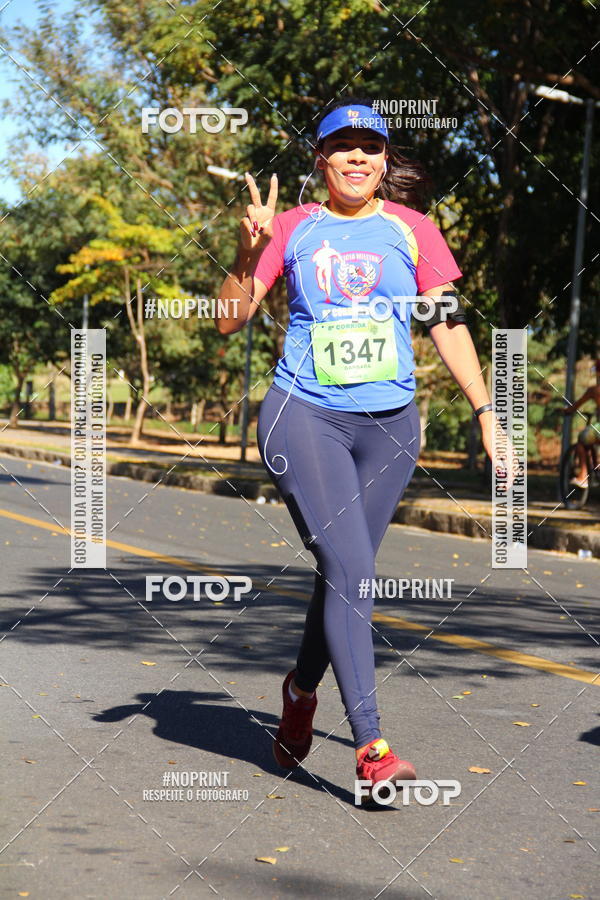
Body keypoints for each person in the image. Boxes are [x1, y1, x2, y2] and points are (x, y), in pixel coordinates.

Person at [215, 97, 498, 802]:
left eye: (371, 146)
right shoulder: (291, 229)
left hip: (392, 430)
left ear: (384, 159)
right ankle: (372, 748)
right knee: (351, 568)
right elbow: (227, 320)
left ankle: (300, 689)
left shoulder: (413, 231)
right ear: (321, 158)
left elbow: (448, 325)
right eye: (343, 145)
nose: (358, 157)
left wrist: (489, 410)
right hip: (304, 416)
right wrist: (248, 254)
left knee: (347, 572)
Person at [563, 360, 600, 488]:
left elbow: (574, 407)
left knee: (581, 441)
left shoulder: (594, 390)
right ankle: (596, 471)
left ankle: (583, 476)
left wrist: (567, 410)